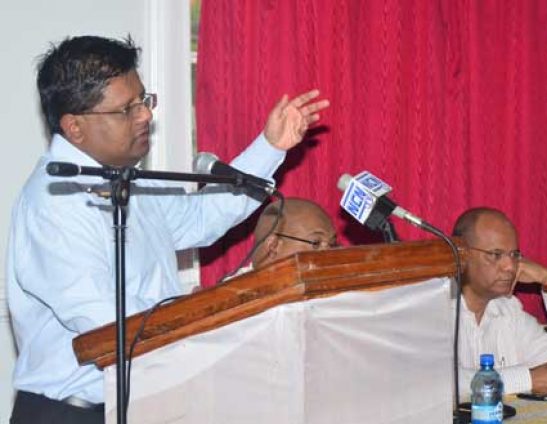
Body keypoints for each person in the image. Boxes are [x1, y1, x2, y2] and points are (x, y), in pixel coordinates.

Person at [6, 35, 329, 423]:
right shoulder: (53, 204)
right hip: (73, 414)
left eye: (144, 100)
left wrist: (270, 147)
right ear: (75, 127)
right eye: (127, 109)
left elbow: (201, 220)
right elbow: (105, 324)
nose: (145, 116)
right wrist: (203, 310)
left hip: (141, 402)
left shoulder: (128, 180)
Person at [452, 207, 547, 398]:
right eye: (496, 255)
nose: (510, 266)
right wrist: (528, 380)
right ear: (462, 255)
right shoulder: (433, 310)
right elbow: (435, 383)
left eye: (514, 255)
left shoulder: (508, 309)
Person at [248, 197, 337, 270]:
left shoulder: (343, 289)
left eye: (332, 244)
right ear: (273, 247)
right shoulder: (236, 290)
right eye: (316, 243)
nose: (328, 256)